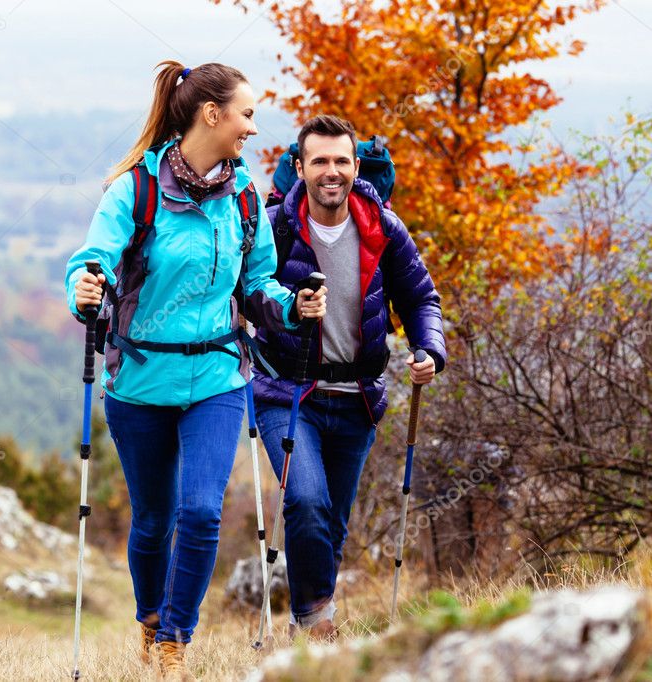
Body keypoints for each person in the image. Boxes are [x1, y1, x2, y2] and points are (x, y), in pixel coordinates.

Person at [65, 61, 324, 679]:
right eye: (247, 114)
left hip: (217, 376)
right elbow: (93, 258)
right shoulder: (136, 189)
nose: (254, 129)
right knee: (153, 520)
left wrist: (292, 306)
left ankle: (175, 642)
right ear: (212, 114)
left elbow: (257, 281)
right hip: (140, 380)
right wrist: (83, 288)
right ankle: (150, 620)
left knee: (202, 510)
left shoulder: (244, 197)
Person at [250, 114, 447, 639]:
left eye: (341, 160)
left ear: (356, 166)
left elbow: (421, 297)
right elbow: (246, 297)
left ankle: (305, 624)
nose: (330, 171)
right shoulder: (276, 227)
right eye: (319, 161)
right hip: (287, 391)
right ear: (300, 168)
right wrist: (287, 308)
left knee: (332, 523)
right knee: (306, 500)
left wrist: (431, 349)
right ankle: (318, 624)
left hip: (358, 396)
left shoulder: (383, 226)